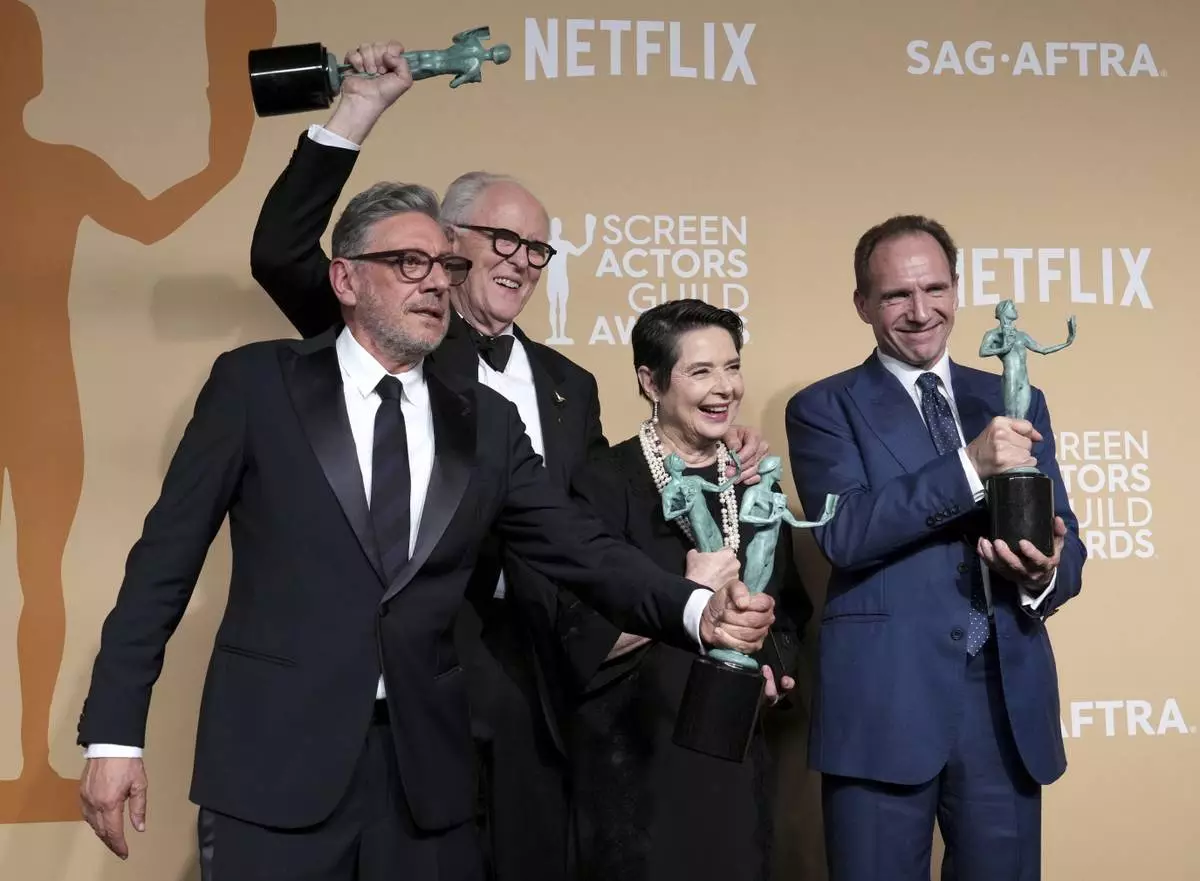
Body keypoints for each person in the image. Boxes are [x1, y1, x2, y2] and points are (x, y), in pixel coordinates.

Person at [75, 183, 775, 881]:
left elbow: (579, 547)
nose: (436, 281)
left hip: (426, 776)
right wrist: (113, 731)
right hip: (273, 761)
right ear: (346, 278)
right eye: (410, 263)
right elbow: (163, 564)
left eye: (446, 265)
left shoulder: (487, 424)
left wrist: (694, 608)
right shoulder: (257, 385)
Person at [248, 39, 769, 881]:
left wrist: (715, 448)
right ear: (447, 242)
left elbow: (588, 520)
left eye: (539, 249)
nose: (523, 260)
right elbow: (278, 254)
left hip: (548, 668)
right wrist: (355, 115)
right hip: (419, 655)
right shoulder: (392, 342)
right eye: (504, 239)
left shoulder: (569, 383)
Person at [0, 0, 274, 822]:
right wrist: (227, 106)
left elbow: (159, 216)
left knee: (40, 576)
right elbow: (164, 212)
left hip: (45, 392)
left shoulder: (65, 165)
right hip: (44, 388)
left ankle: (33, 762)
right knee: (39, 577)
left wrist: (233, 110)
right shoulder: (60, 165)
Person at [784, 215, 1087, 881]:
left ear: (957, 288)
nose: (920, 312)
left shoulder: (1014, 395)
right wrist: (971, 464)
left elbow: (1064, 535)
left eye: (934, 288)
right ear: (862, 303)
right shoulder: (823, 407)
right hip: (884, 700)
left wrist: (1046, 571)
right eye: (896, 295)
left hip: (1004, 701)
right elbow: (845, 532)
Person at [560, 300, 816, 881]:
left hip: (734, 759)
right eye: (700, 372)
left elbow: (789, 609)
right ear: (650, 381)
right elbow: (572, 633)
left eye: (731, 367)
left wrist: (775, 669)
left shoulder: (754, 480)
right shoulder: (602, 481)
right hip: (634, 761)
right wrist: (686, 594)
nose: (724, 388)